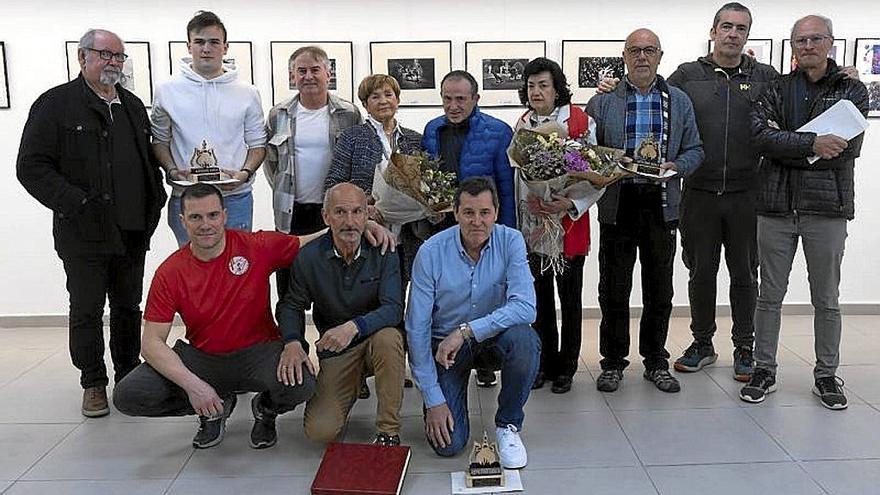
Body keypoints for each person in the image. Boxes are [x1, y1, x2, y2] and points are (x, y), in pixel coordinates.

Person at [112, 183, 395, 449]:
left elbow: (306, 241)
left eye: (212, 215)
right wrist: (194, 387)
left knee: (302, 383)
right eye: (196, 217)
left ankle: (266, 409)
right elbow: (150, 344)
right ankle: (213, 408)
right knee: (129, 394)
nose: (206, 225)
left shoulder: (256, 246)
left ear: (225, 216)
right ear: (182, 220)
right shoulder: (169, 272)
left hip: (258, 353)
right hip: (203, 358)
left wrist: (360, 224)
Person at [598, 3, 777, 381]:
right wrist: (607, 88)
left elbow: (692, 145)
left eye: (740, 27)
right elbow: (588, 147)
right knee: (690, 275)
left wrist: (842, 76)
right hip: (666, 198)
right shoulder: (683, 78)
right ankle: (686, 346)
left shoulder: (765, 77)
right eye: (725, 26)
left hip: (726, 194)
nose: (732, 33)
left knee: (737, 275)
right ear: (712, 31)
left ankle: (735, 348)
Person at [16, 29, 166, 418]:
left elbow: (147, 163)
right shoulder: (55, 105)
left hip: (132, 230)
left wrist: (155, 204)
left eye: (119, 56)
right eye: (105, 54)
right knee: (86, 309)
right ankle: (93, 382)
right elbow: (31, 167)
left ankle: (129, 375)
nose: (114, 62)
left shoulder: (132, 105)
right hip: (83, 232)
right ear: (83, 58)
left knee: (128, 308)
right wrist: (76, 202)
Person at [740, 15, 868, 410]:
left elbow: (847, 149)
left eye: (816, 39)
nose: (808, 45)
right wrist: (813, 142)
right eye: (800, 40)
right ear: (792, 46)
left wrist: (789, 143)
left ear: (831, 42)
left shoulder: (852, 90)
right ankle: (764, 369)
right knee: (768, 297)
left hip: (827, 209)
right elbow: (760, 138)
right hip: (775, 207)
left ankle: (826, 375)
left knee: (826, 298)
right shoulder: (776, 88)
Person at [586, 29, 704, 394]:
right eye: (635, 50)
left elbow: (696, 150)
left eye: (648, 50)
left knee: (659, 290)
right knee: (614, 289)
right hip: (618, 203)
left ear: (660, 55)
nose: (641, 56)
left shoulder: (679, 101)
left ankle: (655, 361)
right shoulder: (602, 102)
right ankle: (612, 363)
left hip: (661, 204)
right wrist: (609, 161)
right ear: (623, 56)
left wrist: (676, 167)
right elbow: (586, 152)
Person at [406, 177, 539, 469]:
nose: (476, 221)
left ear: (496, 212)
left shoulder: (511, 240)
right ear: (455, 213)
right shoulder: (430, 252)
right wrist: (434, 400)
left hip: (493, 339)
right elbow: (416, 330)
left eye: (484, 213)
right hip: (445, 349)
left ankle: (508, 425)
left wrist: (466, 331)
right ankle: (443, 397)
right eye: (468, 212)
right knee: (449, 445)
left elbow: (527, 308)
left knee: (525, 341)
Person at [277, 183, 405, 446]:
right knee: (320, 431)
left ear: (367, 216)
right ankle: (354, 381)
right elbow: (291, 304)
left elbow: (394, 309)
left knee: (390, 339)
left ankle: (388, 431)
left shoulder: (385, 250)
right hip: (337, 351)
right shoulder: (307, 258)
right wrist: (292, 342)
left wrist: (353, 327)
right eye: (340, 212)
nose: (350, 221)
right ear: (326, 217)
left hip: (374, 341)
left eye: (357, 212)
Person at [422, 70, 517, 388]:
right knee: (450, 295)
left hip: (482, 229)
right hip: (446, 230)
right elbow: (425, 183)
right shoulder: (432, 130)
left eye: (460, 98)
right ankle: (447, 353)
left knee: (486, 293)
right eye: (447, 98)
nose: (453, 105)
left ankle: (485, 359)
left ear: (476, 99)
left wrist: (506, 236)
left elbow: (506, 189)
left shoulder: (498, 131)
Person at [514, 57, 598, 394]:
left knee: (570, 298)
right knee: (540, 299)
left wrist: (570, 202)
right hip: (536, 226)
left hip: (569, 224)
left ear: (556, 88)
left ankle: (567, 367)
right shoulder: (522, 123)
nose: (536, 91)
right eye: (531, 86)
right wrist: (532, 205)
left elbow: (596, 174)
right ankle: (544, 363)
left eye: (543, 85)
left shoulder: (579, 121)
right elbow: (520, 175)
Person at [151, 10, 266, 247]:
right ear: (188, 46)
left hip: (234, 199)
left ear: (225, 47)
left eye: (214, 42)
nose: (206, 49)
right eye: (199, 42)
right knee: (193, 273)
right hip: (187, 198)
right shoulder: (166, 90)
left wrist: (244, 173)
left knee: (236, 268)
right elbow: (160, 141)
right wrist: (172, 171)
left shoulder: (248, 92)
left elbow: (257, 145)